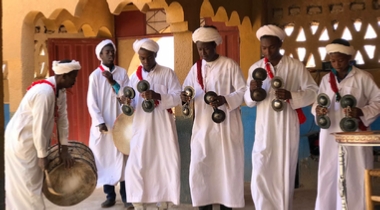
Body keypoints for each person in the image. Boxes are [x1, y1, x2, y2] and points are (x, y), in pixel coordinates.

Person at [244, 24, 318, 210]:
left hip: (286, 125)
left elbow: (313, 91)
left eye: (272, 47)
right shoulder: (256, 68)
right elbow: (249, 101)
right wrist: (252, 91)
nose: (268, 51)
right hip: (264, 126)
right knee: (261, 166)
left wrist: (292, 95)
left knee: (283, 169)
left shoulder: (294, 65)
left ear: (280, 44)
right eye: (264, 47)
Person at [181, 26, 246, 210]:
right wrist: (186, 97)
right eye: (200, 49)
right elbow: (187, 90)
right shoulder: (196, 68)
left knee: (227, 172)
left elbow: (243, 91)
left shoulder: (229, 65)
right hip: (202, 128)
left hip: (226, 128)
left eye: (207, 48)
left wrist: (226, 99)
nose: (203, 52)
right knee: (200, 168)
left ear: (215, 45)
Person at [312, 39, 380, 210]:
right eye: (333, 60)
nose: (336, 64)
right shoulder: (326, 79)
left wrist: (361, 111)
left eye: (340, 59)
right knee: (329, 171)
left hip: (355, 134)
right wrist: (318, 110)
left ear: (349, 57)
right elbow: (316, 102)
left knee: (356, 171)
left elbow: (377, 101)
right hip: (330, 135)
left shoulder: (363, 77)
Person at [5, 59, 80, 209]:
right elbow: (38, 127)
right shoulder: (44, 93)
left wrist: (64, 149)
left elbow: (63, 119)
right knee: (28, 188)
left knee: (31, 186)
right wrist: (42, 155)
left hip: (32, 141)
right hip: (22, 142)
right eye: (73, 76)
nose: (75, 81)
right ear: (63, 76)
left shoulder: (60, 90)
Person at [123, 38, 181, 210]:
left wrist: (157, 96)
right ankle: (138, 202)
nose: (145, 61)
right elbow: (132, 105)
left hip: (163, 127)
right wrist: (126, 102)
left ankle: (163, 202)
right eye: (142, 58)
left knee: (164, 162)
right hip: (141, 127)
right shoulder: (134, 77)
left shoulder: (167, 73)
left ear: (155, 55)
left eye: (148, 57)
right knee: (138, 162)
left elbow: (177, 97)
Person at [87, 39, 130, 208]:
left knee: (124, 159)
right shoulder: (95, 76)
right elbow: (92, 102)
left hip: (121, 123)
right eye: (107, 52)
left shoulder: (122, 72)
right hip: (104, 125)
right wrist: (99, 121)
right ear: (100, 55)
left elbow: (127, 95)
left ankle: (127, 197)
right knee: (105, 159)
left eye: (112, 51)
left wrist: (114, 82)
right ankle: (110, 196)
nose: (111, 54)